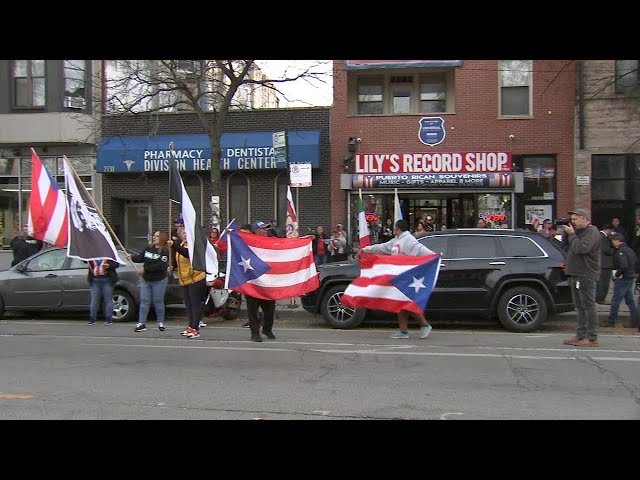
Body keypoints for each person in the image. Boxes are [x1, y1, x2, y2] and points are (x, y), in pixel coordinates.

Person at [357, 219, 436, 339]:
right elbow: (382, 247)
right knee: (401, 303)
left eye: (395, 227)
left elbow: (423, 251)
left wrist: (435, 257)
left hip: (407, 276)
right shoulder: (395, 241)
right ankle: (404, 331)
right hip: (398, 277)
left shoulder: (409, 240)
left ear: (398, 228)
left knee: (406, 303)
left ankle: (423, 325)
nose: (394, 229)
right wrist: (366, 249)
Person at [560, 208, 601, 347]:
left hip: (586, 274)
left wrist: (572, 235)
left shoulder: (592, 233)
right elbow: (565, 247)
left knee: (588, 306)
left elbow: (582, 249)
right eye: (572, 220)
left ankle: (591, 337)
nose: (573, 222)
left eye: (575, 219)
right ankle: (580, 334)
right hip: (575, 273)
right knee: (579, 306)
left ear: (585, 219)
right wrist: (566, 234)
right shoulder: (577, 233)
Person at [127, 230, 172, 332]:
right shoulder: (148, 248)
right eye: (154, 236)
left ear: (162, 238)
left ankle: (160, 323)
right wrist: (132, 257)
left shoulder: (165, 251)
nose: (154, 237)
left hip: (159, 280)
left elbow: (161, 266)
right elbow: (140, 258)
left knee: (158, 301)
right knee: (144, 301)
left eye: (157, 236)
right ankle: (141, 323)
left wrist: (145, 270)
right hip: (146, 280)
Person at [169, 228, 207, 339]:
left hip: (196, 278)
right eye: (183, 233)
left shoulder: (194, 245)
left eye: (187, 233)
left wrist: (174, 246)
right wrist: (173, 266)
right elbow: (179, 259)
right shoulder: (181, 244)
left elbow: (187, 254)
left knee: (195, 304)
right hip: (184, 279)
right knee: (189, 305)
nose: (185, 235)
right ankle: (190, 326)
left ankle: (195, 328)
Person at [244, 221, 277, 342]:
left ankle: (267, 329)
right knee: (252, 309)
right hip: (252, 281)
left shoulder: (271, 241)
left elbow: (285, 245)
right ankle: (255, 333)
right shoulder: (248, 243)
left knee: (270, 309)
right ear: (255, 231)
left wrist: (304, 240)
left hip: (267, 282)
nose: (265, 231)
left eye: (266, 229)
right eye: (262, 229)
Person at [601, 233, 639, 329]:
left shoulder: (621, 251)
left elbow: (623, 265)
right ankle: (635, 321)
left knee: (616, 300)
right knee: (630, 300)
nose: (613, 243)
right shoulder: (629, 250)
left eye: (613, 241)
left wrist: (617, 274)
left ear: (617, 240)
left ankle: (611, 320)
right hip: (630, 276)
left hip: (623, 277)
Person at [87, 258, 120, 326]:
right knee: (94, 300)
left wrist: (108, 265)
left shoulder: (108, 253)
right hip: (94, 279)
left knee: (108, 300)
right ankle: (92, 319)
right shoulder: (91, 255)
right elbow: (84, 260)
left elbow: (116, 264)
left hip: (107, 279)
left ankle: (108, 320)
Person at [596, 223, 614, 304]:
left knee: (600, 282)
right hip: (605, 263)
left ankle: (598, 297)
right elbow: (606, 250)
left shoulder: (598, 236)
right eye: (611, 231)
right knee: (604, 283)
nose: (612, 233)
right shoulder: (604, 238)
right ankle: (601, 298)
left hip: (600, 263)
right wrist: (615, 249)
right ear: (608, 229)